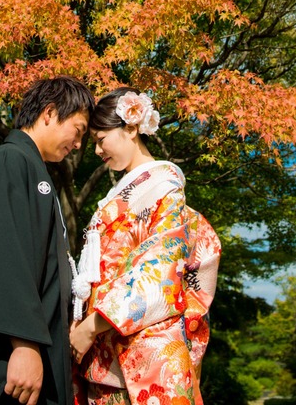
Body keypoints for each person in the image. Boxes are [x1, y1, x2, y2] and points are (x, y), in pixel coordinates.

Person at [0, 76, 95, 405]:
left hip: (30, 348)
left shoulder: (32, 169)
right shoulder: (9, 161)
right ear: (49, 113)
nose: (78, 144)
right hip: (7, 356)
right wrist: (24, 344)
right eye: (78, 131)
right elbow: (3, 257)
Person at [68, 88, 221, 405]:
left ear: (131, 127)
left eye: (101, 139)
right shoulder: (123, 193)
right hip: (104, 355)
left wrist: (90, 328)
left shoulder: (164, 187)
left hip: (139, 352)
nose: (96, 150)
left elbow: (159, 274)